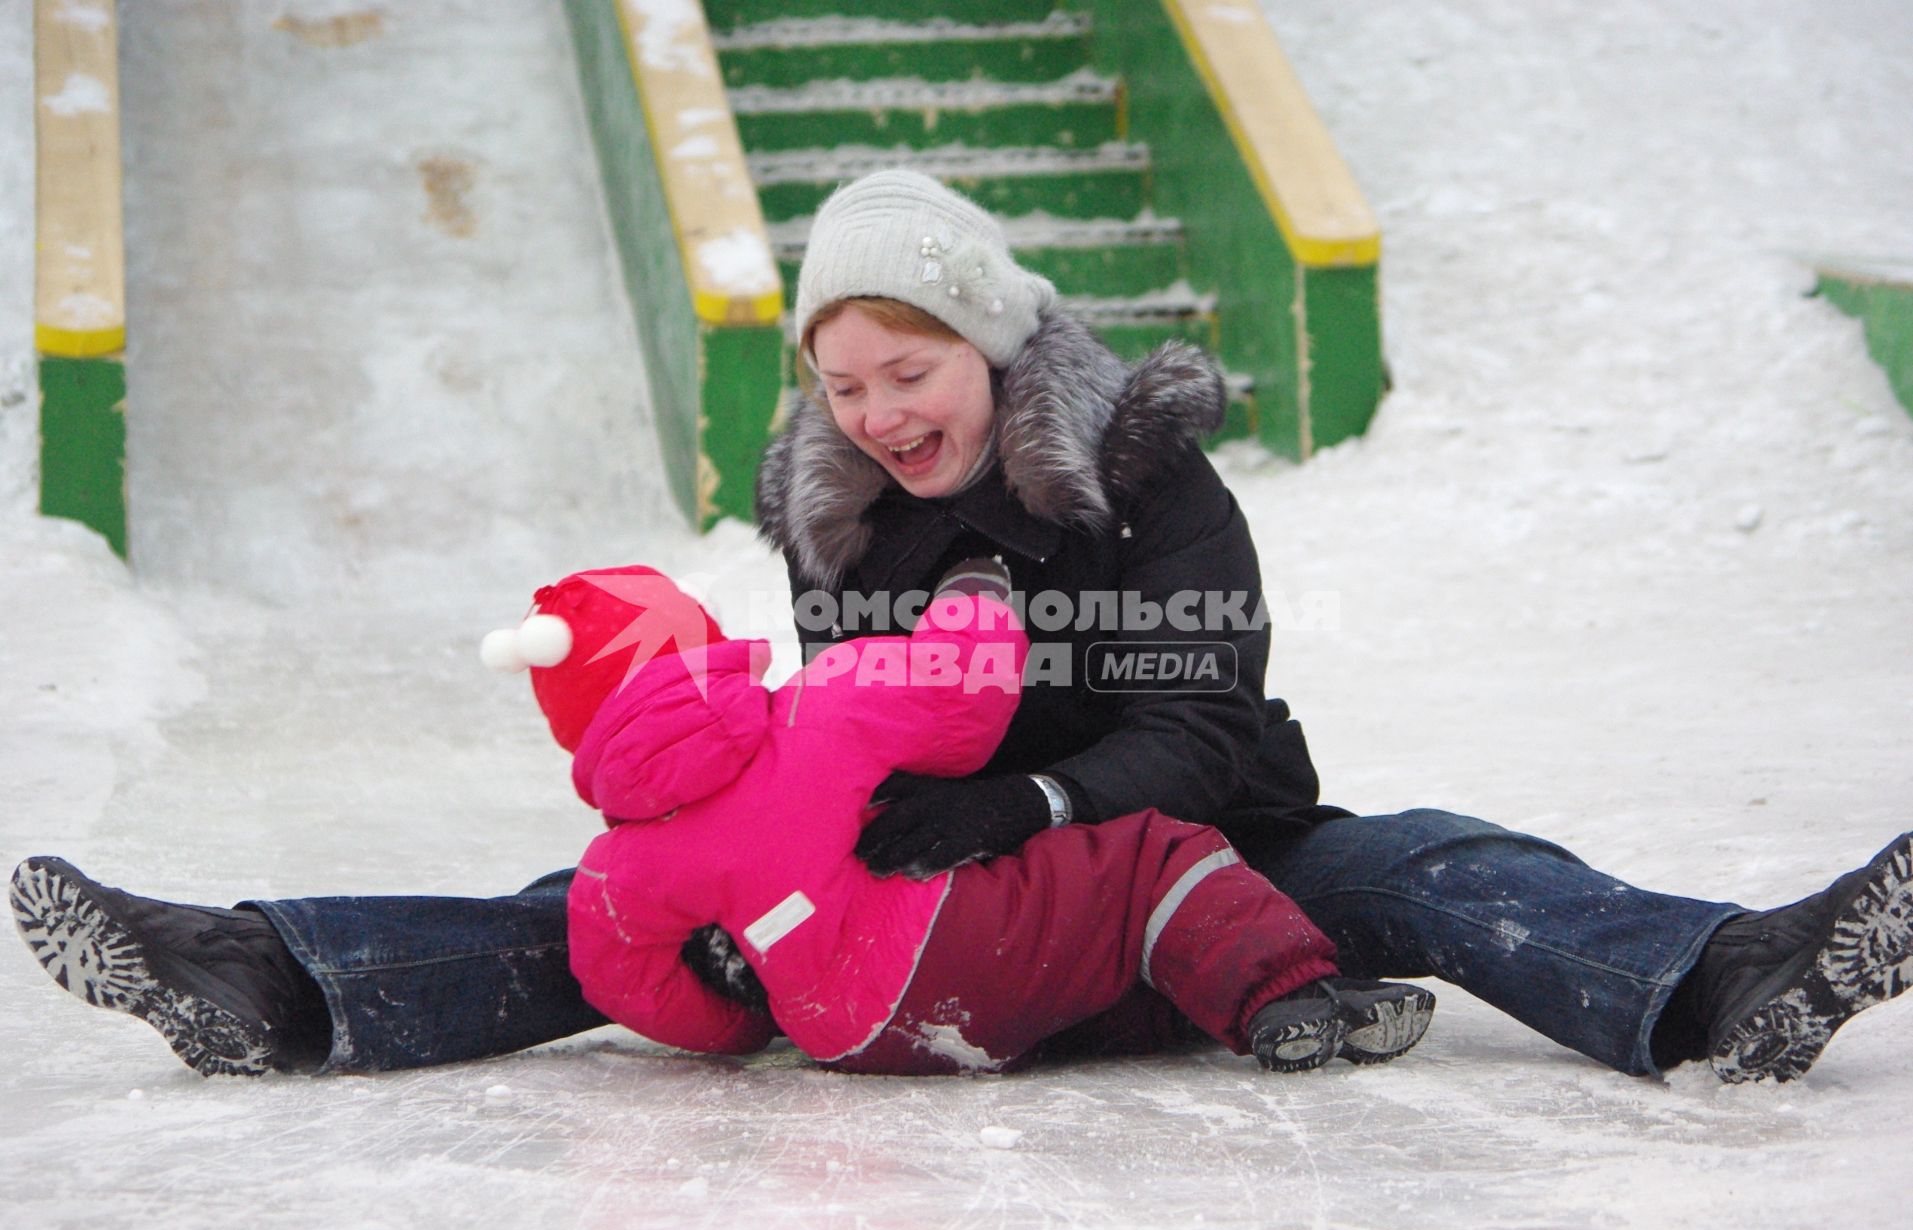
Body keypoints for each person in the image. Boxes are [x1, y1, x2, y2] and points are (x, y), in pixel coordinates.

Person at [11, 169, 1910, 1085]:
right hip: (915, 920)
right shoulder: (843, 525)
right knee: (593, 905)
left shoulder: (1149, 476)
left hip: (1184, 870)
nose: (874, 417)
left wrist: (1034, 807)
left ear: (986, 346)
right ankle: (272, 979)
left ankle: (1722, 982)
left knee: (1427, 860)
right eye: (839, 387)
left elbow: (1207, 720)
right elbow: (810, 753)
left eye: (902, 370)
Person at [490, 558, 1435, 1075]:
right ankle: (1290, 998)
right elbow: (967, 690)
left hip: (851, 1037)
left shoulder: (618, 868)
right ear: (699, 639)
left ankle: (1179, 1000)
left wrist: (747, 1028)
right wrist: (971, 594)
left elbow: (624, 981)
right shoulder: (820, 707)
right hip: (941, 941)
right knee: (1150, 859)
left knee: (1081, 957)